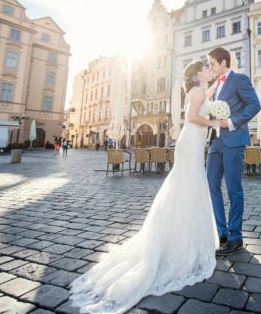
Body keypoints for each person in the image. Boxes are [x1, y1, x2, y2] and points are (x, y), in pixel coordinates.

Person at [69, 61, 219, 314]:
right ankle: (182, 241)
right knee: (188, 185)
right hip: (192, 141)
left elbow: (212, 92)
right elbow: (193, 117)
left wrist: (217, 88)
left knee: (187, 186)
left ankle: (183, 234)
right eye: (205, 67)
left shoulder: (200, 90)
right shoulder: (197, 92)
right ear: (196, 76)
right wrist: (215, 123)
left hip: (191, 142)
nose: (208, 68)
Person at [206, 47, 261, 256]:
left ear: (223, 62)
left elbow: (254, 105)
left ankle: (235, 236)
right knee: (211, 184)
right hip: (216, 142)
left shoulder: (239, 79)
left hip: (234, 140)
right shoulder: (215, 85)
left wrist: (231, 122)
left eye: (212, 63)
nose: (209, 67)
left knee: (233, 189)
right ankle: (221, 233)